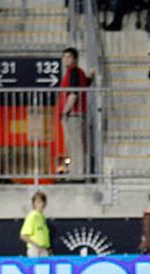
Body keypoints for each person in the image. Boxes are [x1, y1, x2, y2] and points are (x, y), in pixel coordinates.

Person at [59, 47, 90, 180]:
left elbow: (74, 93)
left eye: (69, 57)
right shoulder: (78, 73)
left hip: (74, 115)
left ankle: (77, 175)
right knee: (72, 146)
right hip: (74, 114)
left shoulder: (74, 72)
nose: (66, 59)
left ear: (75, 59)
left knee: (75, 145)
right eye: (64, 57)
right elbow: (85, 83)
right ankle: (74, 173)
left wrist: (65, 111)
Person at [20, 191, 51, 257]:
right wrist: (37, 246)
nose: (40, 204)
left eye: (41, 202)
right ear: (34, 204)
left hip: (43, 249)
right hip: (35, 250)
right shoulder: (32, 215)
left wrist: (47, 249)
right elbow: (24, 235)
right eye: (37, 202)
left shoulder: (42, 217)